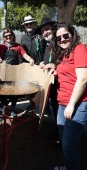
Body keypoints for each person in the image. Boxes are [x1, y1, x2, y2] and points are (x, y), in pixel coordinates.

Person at [50, 22, 87, 170]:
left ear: (72, 35)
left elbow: (83, 78)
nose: (63, 40)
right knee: (66, 145)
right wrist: (56, 72)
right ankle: (69, 166)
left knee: (68, 147)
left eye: (66, 36)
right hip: (62, 104)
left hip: (77, 104)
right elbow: (68, 71)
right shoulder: (63, 53)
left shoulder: (80, 49)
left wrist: (71, 105)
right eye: (59, 38)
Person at [0, 28, 34, 118]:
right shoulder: (1, 47)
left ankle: (12, 109)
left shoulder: (18, 46)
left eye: (10, 35)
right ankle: (3, 110)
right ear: (4, 37)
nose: (8, 37)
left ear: (13, 36)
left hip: (15, 73)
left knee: (14, 92)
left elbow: (25, 55)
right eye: (6, 36)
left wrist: (30, 59)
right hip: (3, 73)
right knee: (3, 92)